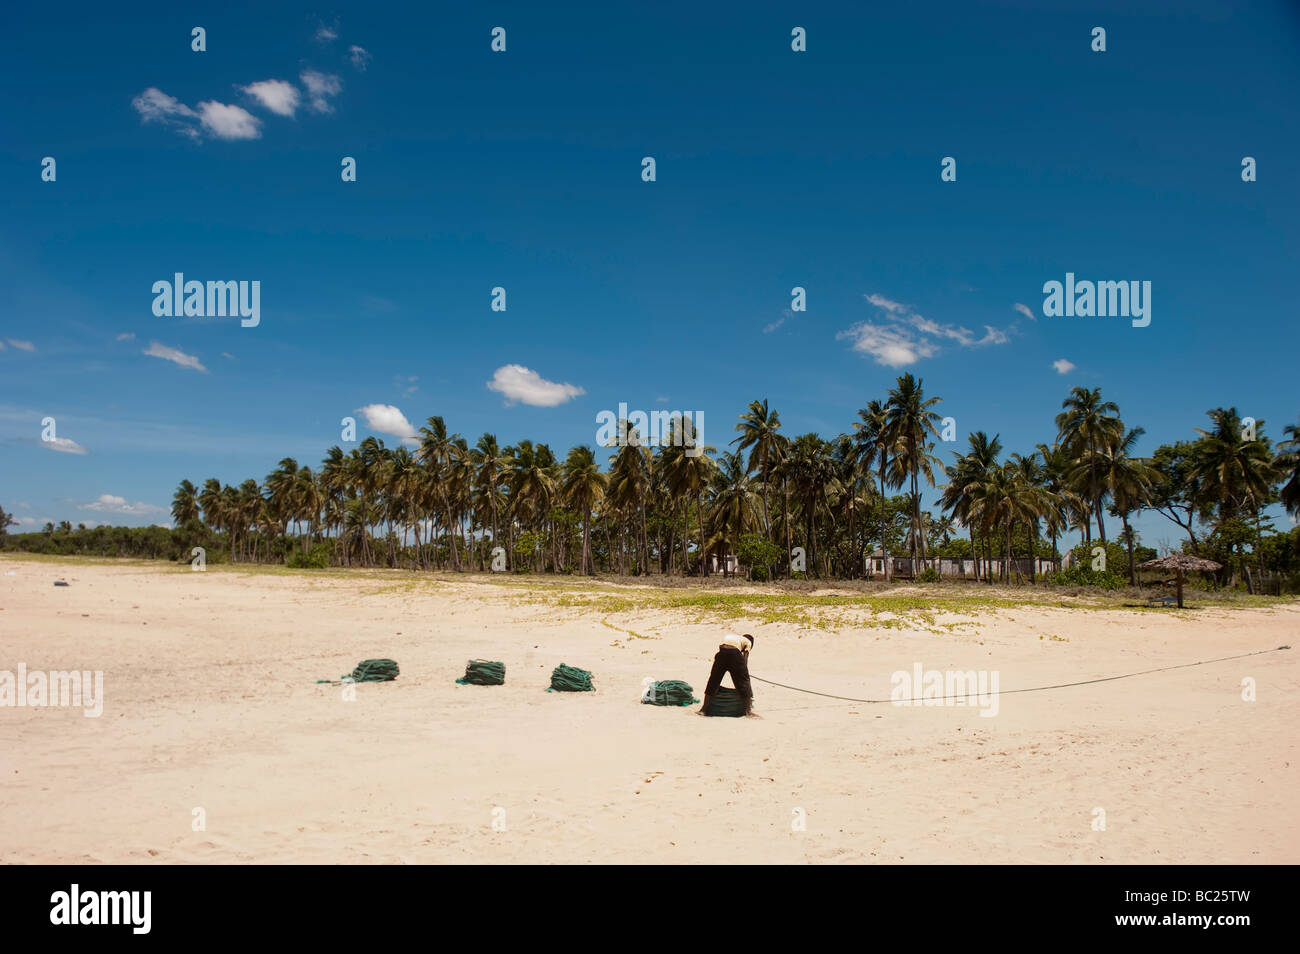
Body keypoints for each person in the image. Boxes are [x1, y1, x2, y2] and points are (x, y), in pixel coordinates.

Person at [699, 633, 756, 717]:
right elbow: (745, 658)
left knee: (713, 681)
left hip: (722, 653)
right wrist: (744, 671)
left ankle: (703, 710)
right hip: (735, 654)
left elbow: (721, 649)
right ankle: (748, 711)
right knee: (744, 682)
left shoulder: (732, 637)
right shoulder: (748, 642)